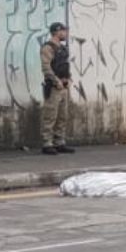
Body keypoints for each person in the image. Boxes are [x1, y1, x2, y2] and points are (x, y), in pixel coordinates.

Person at [39, 22, 75, 155]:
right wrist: (56, 81)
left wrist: (68, 78)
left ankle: (59, 142)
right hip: (54, 87)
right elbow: (46, 68)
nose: (65, 33)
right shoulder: (48, 48)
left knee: (62, 117)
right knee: (50, 116)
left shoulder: (63, 48)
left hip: (64, 86)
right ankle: (47, 143)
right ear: (56, 32)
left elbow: (64, 65)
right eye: (63, 31)